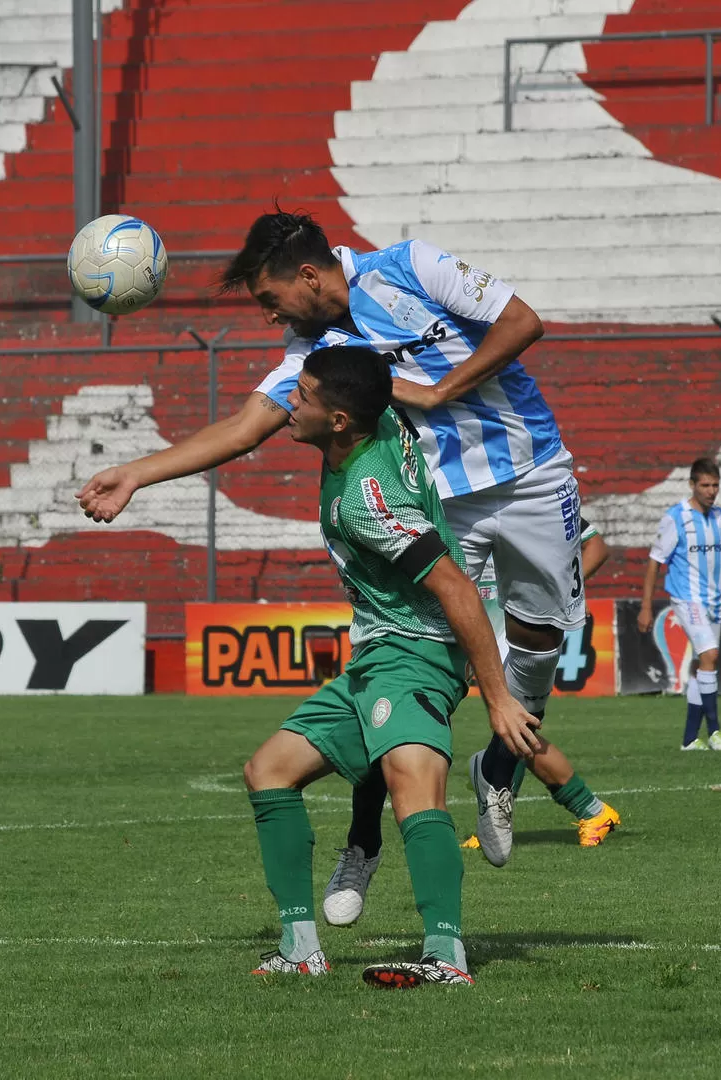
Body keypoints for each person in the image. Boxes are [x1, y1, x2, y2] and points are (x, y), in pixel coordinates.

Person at [76, 209, 617, 874]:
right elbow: (246, 428)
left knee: (540, 641)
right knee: (415, 664)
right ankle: (363, 842)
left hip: (533, 470)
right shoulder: (315, 354)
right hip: (446, 500)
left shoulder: (409, 266)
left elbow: (521, 322)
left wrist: (439, 390)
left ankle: (498, 768)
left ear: (306, 275)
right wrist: (137, 472)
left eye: (271, 301)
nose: (272, 317)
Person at [243, 345, 540, 986]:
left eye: (304, 395)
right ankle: (300, 950)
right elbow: (380, 376)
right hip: (378, 650)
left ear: (342, 419)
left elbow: (456, 588)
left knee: (414, 791)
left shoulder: (367, 503)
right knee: (269, 771)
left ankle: (446, 958)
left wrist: (496, 696)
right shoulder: (384, 417)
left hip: (418, 652)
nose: (289, 404)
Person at [326, 518, 615, 925]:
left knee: (520, 726)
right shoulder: (428, 480)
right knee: (394, 718)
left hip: (507, 626)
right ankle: (363, 844)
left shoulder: (529, 481)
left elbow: (595, 546)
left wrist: (551, 589)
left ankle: (583, 806)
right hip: (442, 620)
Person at [638, 457, 721, 752]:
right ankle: (715, 731)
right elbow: (654, 563)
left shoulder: (720, 519)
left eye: (715, 485)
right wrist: (646, 606)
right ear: (692, 485)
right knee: (710, 655)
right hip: (687, 598)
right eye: (705, 485)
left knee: (703, 665)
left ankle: (690, 738)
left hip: (714, 600)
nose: (711, 491)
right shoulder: (676, 518)